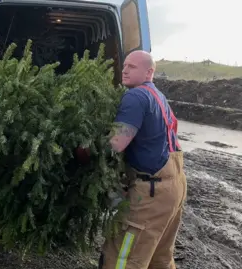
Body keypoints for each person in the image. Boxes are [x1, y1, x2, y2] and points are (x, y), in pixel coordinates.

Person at [76, 50, 187, 269]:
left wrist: (86, 150)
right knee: (160, 259)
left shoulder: (135, 96)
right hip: (174, 188)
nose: (124, 70)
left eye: (132, 67)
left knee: (123, 260)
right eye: (125, 65)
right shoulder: (158, 96)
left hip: (151, 194)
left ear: (149, 72)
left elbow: (117, 143)